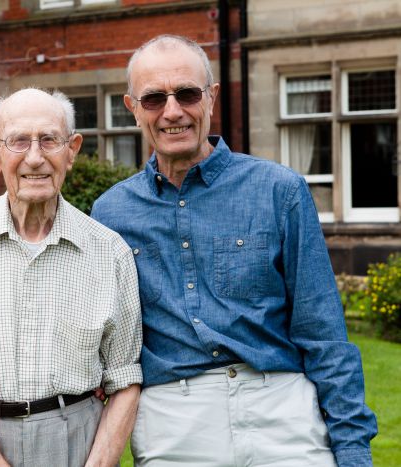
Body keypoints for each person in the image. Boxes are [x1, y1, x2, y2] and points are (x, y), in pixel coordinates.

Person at [91, 35, 378, 467]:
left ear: (211, 98)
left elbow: (322, 332)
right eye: (154, 99)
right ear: (132, 108)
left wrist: (353, 449)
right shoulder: (110, 212)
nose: (173, 112)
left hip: (281, 406)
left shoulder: (279, 191)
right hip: (174, 421)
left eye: (187, 93)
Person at [0, 87, 143, 467]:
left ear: (72, 150)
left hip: (77, 440)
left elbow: (125, 379)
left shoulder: (110, 252)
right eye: (18, 142)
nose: (35, 158)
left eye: (49, 140)